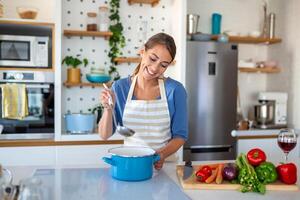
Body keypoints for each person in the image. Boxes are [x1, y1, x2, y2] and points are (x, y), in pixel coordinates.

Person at [98, 33, 188, 170]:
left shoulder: (175, 90)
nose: (155, 68)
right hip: (131, 165)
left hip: (163, 166)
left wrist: (161, 155)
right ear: (142, 52)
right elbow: (104, 135)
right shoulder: (120, 88)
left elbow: (180, 136)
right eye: (152, 58)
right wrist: (107, 108)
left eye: (163, 65)